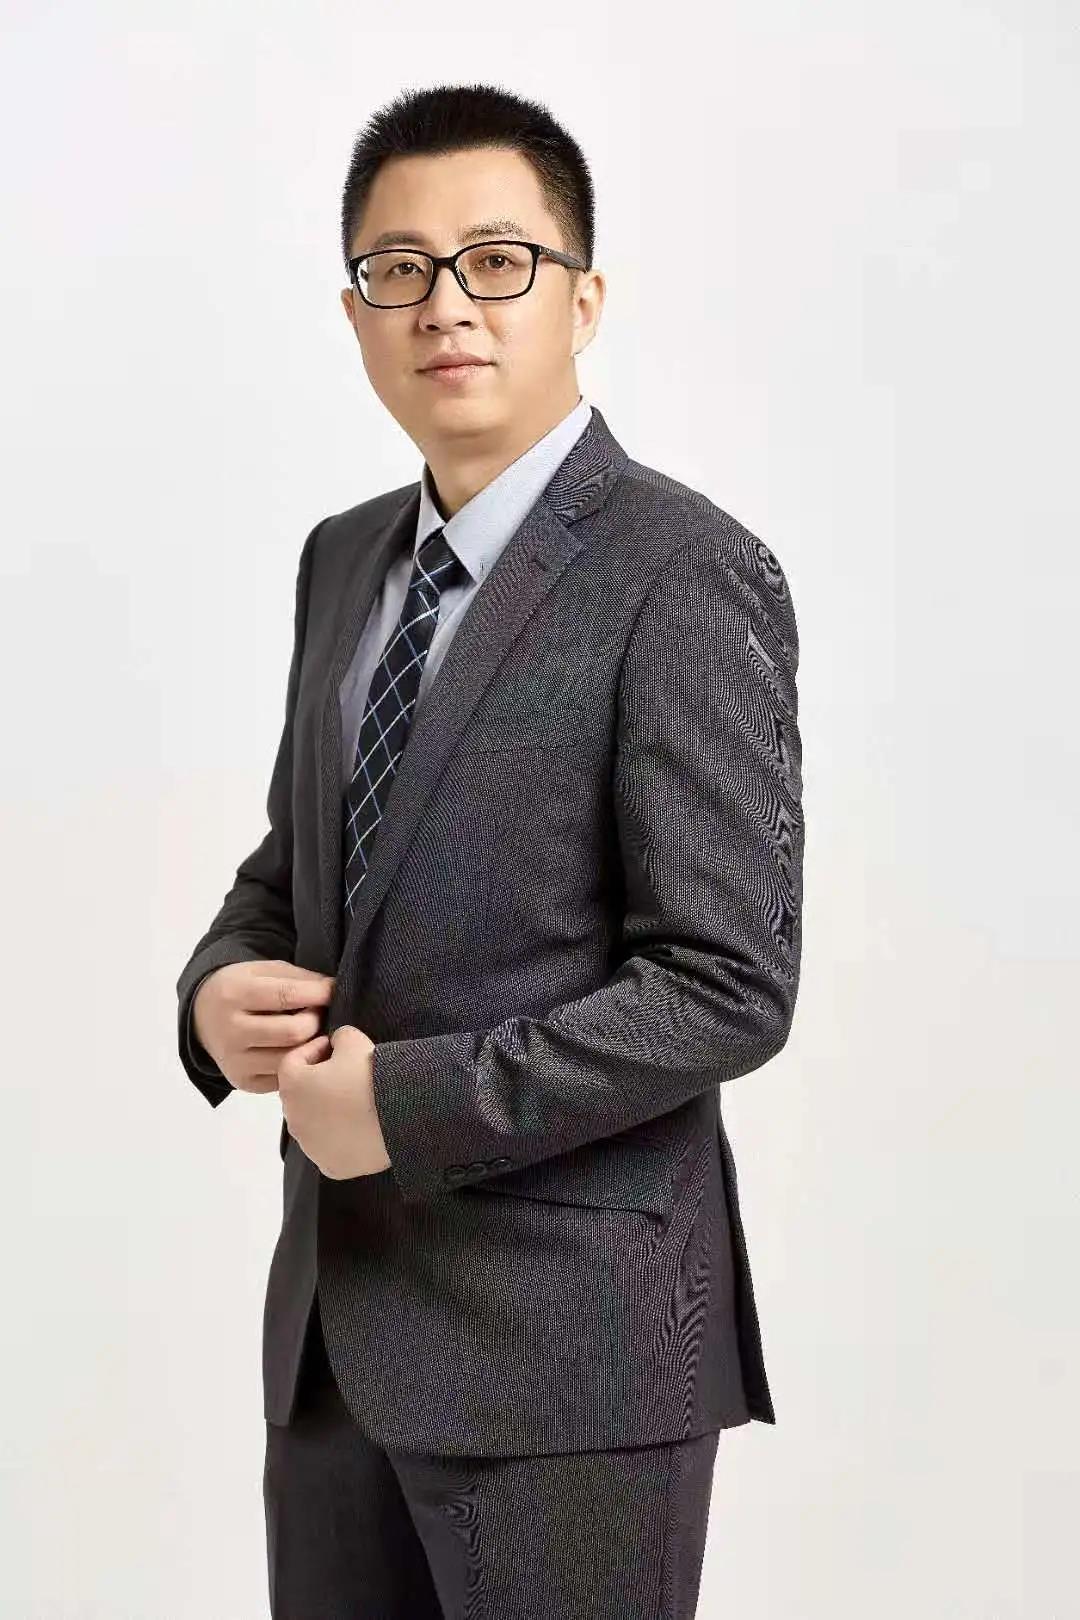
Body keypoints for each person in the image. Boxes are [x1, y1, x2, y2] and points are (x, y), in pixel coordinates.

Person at [175, 81, 804, 1620]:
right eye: (400, 269)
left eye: (498, 261)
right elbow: (300, 869)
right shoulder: (343, 560)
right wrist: (216, 991)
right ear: (356, 315)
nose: (446, 304)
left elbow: (726, 986)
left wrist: (400, 1107)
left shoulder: (686, 570)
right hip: (333, 1347)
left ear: (583, 298)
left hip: (570, 1364)